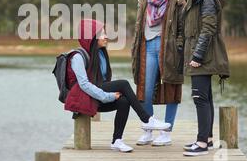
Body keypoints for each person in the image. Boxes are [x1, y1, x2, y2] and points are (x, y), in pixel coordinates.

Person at [65, 19, 171, 153]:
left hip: (97, 95)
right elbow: (84, 85)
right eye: (102, 34)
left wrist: (111, 94)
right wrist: (107, 96)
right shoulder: (78, 57)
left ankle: (117, 141)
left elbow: (103, 81)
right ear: (91, 37)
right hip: (87, 99)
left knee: (124, 101)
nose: (106, 36)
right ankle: (147, 119)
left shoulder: (101, 53)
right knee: (124, 84)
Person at [131, 0, 187, 147]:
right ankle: (148, 128)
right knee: (144, 91)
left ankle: (166, 133)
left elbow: (182, 29)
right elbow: (139, 26)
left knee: (172, 89)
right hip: (147, 47)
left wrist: (178, 48)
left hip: (169, 50)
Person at [181, 0, 230, 156]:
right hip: (201, 52)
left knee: (199, 97)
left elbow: (208, 28)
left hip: (203, 55)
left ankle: (201, 144)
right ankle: (207, 139)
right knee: (205, 97)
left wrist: (198, 56)